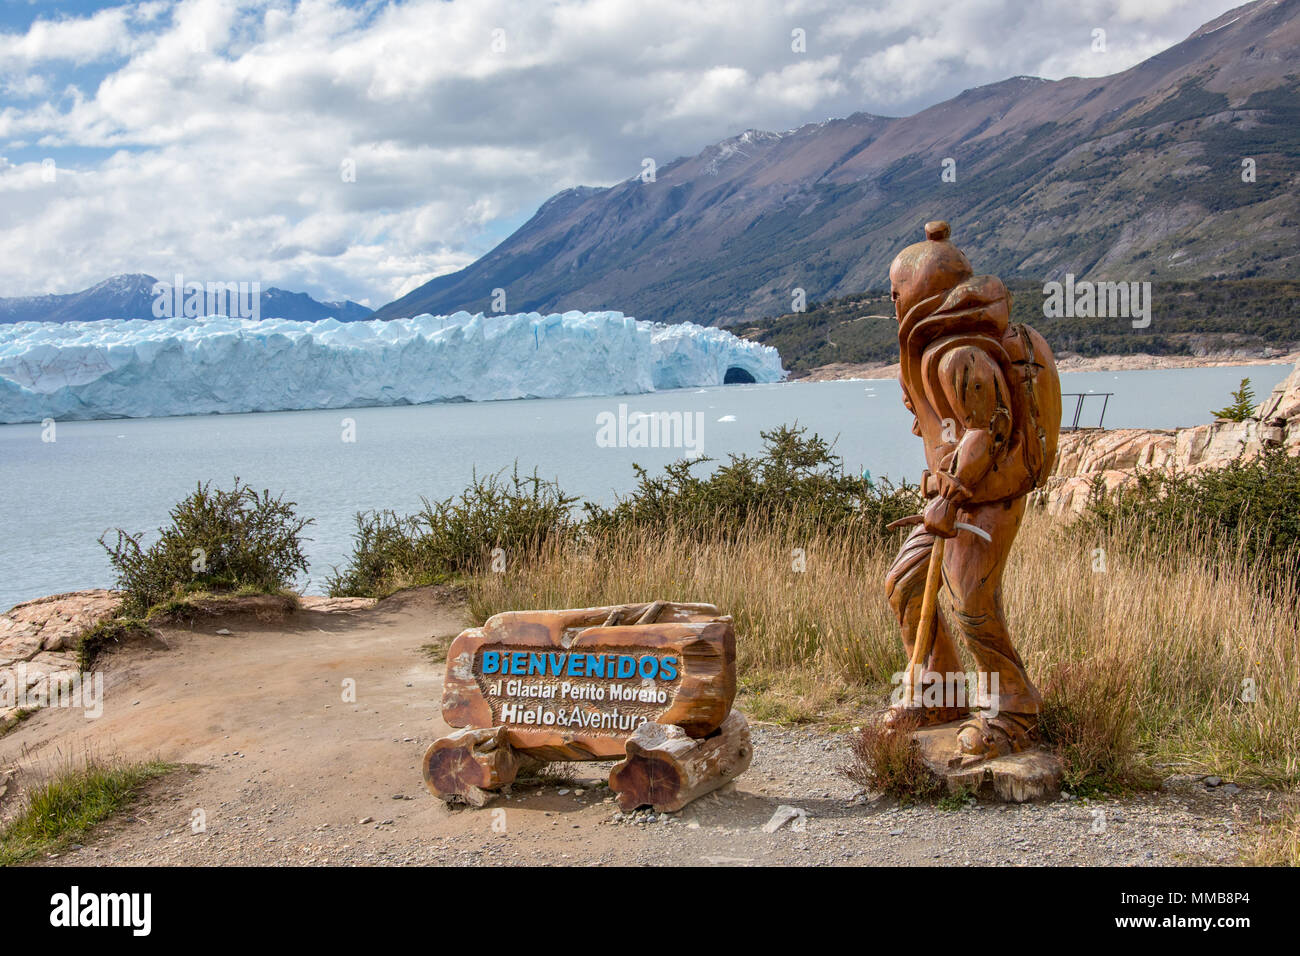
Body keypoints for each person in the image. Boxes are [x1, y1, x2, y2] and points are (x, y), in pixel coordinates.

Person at [882, 221, 1061, 763]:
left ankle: (1014, 711)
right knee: (907, 585)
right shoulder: (937, 344)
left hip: (983, 497)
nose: (892, 302)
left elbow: (985, 433)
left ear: (917, 291)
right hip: (958, 495)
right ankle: (943, 695)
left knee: (970, 599)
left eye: (895, 292)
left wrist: (947, 499)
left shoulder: (957, 354)